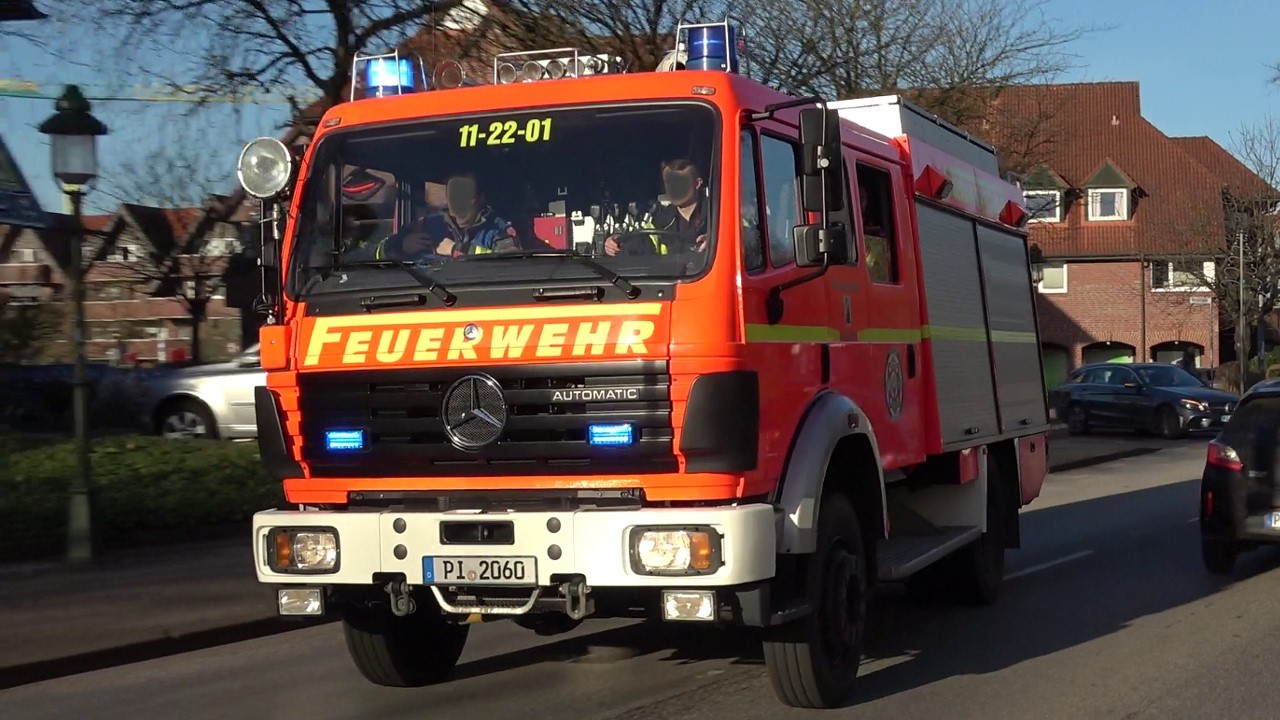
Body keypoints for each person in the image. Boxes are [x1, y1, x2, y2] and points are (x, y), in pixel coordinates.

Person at [351, 173, 520, 262]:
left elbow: (512, 264)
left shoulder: (498, 228)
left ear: (480, 198)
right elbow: (376, 256)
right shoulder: (426, 224)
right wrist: (402, 246)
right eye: (453, 196)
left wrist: (457, 250)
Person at [604, 159, 708, 257]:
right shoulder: (661, 220)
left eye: (680, 182)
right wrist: (617, 243)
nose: (673, 188)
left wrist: (715, 242)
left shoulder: (718, 215)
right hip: (670, 275)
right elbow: (641, 242)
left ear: (697, 183)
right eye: (669, 183)